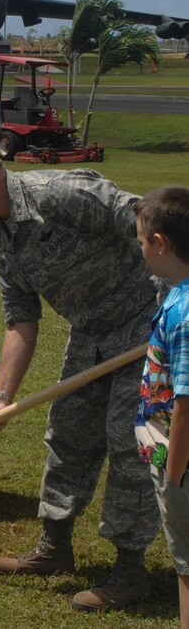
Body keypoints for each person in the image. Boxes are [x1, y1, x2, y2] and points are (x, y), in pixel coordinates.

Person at [0, 127, 161, 612]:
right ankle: (54, 547)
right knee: (67, 434)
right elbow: (21, 320)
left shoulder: (66, 193)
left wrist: (179, 305)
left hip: (147, 331)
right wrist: (1, 396)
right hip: (89, 337)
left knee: (131, 445)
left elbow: (158, 224)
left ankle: (130, 570)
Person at [134, 186, 189, 626]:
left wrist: (172, 479)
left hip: (181, 464)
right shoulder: (177, 292)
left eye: (140, 242)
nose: (141, 251)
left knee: (187, 567)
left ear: (161, 243)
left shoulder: (185, 312)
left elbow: (187, 405)